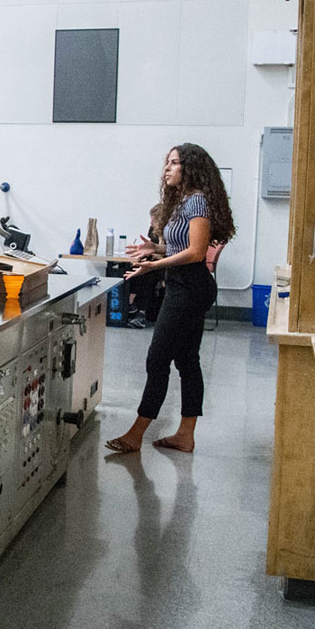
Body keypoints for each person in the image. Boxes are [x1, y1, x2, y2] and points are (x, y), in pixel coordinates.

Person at [105, 144, 236, 455]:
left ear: (190, 168)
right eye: (167, 163)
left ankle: (136, 434)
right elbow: (182, 246)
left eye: (174, 163)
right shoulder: (184, 202)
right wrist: (155, 250)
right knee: (187, 361)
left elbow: (196, 253)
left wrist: (154, 265)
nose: (167, 169)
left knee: (157, 359)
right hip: (183, 286)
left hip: (190, 289)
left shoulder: (198, 202)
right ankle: (184, 436)